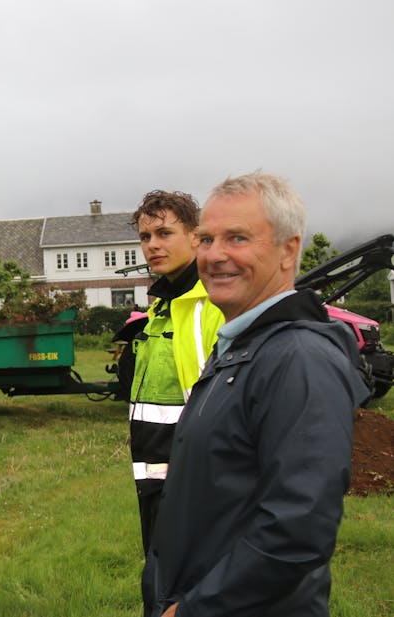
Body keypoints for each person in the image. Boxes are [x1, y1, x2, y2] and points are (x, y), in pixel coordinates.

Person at [143, 172, 370, 617]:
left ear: (288, 250)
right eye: (207, 239)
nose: (215, 255)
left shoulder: (298, 358)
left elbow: (297, 530)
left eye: (238, 238)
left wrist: (193, 609)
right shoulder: (243, 348)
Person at [127, 191, 224, 561]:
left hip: (198, 485)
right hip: (153, 483)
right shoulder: (160, 308)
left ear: (195, 237)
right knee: (159, 584)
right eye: (145, 237)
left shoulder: (214, 306)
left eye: (165, 233)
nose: (152, 245)